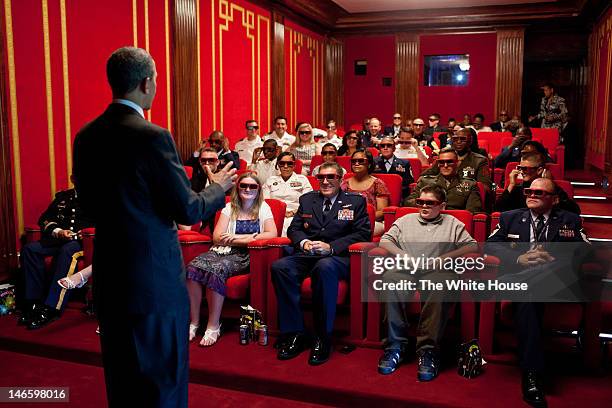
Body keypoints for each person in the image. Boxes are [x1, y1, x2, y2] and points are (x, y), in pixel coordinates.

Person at [72, 46, 236, 407]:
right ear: (146, 83)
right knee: (164, 378)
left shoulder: (85, 137)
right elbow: (188, 208)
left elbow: (87, 205)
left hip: (111, 276)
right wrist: (217, 189)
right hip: (154, 280)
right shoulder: (152, 136)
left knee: (122, 377)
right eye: (157, 79)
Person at [486, 178, 588, 408]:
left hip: (557, 282)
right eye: (529, 191)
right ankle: (532, 373)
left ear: (554, 199)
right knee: (529, 297)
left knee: (553, 269)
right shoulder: (510, 217)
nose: (532, 195)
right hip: (532, 283)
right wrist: (519, 258)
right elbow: (490, 245)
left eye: (540, 193)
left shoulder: (569, 219)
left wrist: (555, 256)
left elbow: (585, 251)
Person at [271, 162, 370, 365]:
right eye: (321, 177)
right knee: (280, 267)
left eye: (331, 177)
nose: (325, 182)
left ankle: (322, 337)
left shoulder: (355, 202)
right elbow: (294, 229)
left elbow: (362, 233)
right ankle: (295, 332)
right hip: (309, 253)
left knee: (324, 267)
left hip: (338, 258)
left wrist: (331, 247)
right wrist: (304, 242)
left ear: (340, 180)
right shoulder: (307, 200)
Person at [377, 185, 477, 380]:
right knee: (389, 281)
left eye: (430, 203)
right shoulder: (405, 220)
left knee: (438, 286)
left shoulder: (453, 223)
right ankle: (395, 346)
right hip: (407, 267)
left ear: (442, 205)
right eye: (420, 202)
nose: (424, 206)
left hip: (438, 270)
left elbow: (472, 245)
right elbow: (385, 241)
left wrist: (446, 257)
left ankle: (427, 350)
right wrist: (403, 255)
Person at [186, 173, 277, 346]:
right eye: (244, 186)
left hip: (246, 255)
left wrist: (239, 239)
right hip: (221, 250)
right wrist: (252, 236)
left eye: (252, 186)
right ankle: (194, 322)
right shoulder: (229, 207)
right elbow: (217, 237)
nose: (248, 189)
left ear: (258, 190)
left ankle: (213, 325)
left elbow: (271, 233)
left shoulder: (264, 207)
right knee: (192, 268)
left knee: (216, 270)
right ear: (238, 188)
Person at [18, 183, 93, 330]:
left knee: (67, 251)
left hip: (82, 243)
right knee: (30, 250)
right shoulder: (63, 196)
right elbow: (45, 219)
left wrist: (80, 234)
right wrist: (58, 231)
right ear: (73, 178)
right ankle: (34, 303)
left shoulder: (98, 197)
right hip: (58, 239)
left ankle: (52, 307)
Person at [495, 153, 580, 214]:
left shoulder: (553, 190)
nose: (521, 172)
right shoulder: (518, 189)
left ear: (539, 170)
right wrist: (511, 185)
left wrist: (548, 186)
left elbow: (574, 211)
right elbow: (498, 209)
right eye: (520, 168)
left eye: (525, 169)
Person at [405, 148, 483, 213]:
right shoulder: (425, 182)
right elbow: (408, 202)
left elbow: (472, 211)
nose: (445, 166)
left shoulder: (470, 185)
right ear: (438, 164)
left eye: (449, 162)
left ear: (457, 163)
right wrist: (428, 203)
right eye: (441, 162)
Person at [421, 128, 492, 190]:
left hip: (466, 197)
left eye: (462, 139)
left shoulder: (480, 161)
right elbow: (424, 176)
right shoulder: (444, 157)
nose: (458, 142)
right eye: (455, 139)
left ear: (470, 141)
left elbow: (485, 187)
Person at [341, 149, 390, 236]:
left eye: (361, 161)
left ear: (369, 164)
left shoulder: (378, 184)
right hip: (347, 221)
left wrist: (359, 219)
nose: (356, 163)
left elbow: (382, 212)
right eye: (353, 161)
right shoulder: (345, 183)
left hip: (372, 222)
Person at [263, 152, 313, 236]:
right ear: (278, 165)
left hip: (296, 215)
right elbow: (265, 202)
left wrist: (293, 213)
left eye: (289, 164)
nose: (285, 166)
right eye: (282, 163)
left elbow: (308, 202)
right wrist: (278, 214)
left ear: (294, 165)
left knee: (290, 224)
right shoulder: (270, 180)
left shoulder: (302, 180)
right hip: (274, 215)